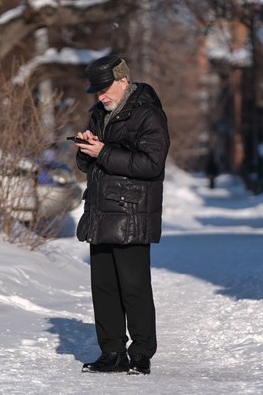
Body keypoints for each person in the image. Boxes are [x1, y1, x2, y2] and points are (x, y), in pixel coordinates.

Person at [73, 54, 170, 375]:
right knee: (103, 288)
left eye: (105, 88)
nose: (100, 96)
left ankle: (141, 354)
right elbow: (89, 165)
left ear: (123, 81)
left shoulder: (148, 115)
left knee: (134, 287)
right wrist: (86, 149)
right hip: (100, 212)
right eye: (96, 90)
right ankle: (112, 352)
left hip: (131, 213)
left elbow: (152, 165)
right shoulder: (98, 114)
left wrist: (104, 152)